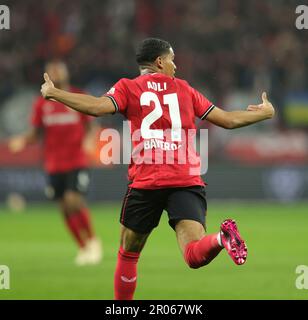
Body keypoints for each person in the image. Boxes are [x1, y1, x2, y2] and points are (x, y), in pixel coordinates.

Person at [40, 38, 275, 299]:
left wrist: (54, 93)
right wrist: (263, 114)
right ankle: (221, 238)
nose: (175, 66)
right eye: (172, 60)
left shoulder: (128, 87)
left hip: (147, 181)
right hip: (186, 178)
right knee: (193, 254)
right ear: (160, 61)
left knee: (128, 254)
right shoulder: (185, 89)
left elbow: (96, 108)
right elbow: (228, 120)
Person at [9, 61, 102, 266]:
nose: (56, 74)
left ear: (66, 73)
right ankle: (82, 247)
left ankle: (93, 241)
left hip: (76, 159)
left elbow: (91, 127)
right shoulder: (42, 104)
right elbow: (35, 134)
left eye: (59, 70)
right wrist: (21, 141)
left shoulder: (78, 96)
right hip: (53, 163)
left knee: (73, 200)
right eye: (52, 71)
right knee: (64, 207)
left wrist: (88, 141)